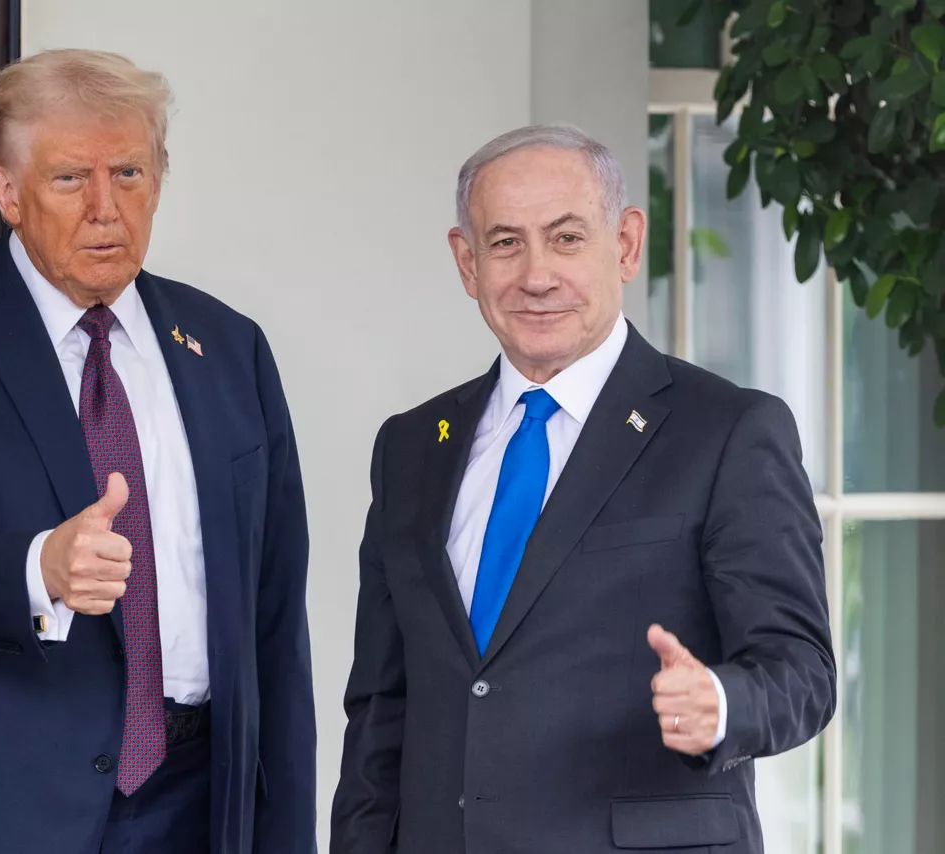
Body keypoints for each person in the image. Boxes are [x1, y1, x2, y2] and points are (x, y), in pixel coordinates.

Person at [0, 49, 315, 854]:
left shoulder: (227, 347)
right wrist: (40, 567)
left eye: (130, 174)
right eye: (72, 179)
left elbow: (276, 616)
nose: (106, 209)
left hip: (193, 803)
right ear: (7, 190)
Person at [331, 124, 835, 854]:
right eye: (505, 243)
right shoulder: (411, 446)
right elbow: (381, 709)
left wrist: (723, 703)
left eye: (567, 238)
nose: (537, 275)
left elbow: (803, 670)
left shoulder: (729, 431)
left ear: (626, 244)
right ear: (466, 262)